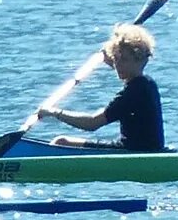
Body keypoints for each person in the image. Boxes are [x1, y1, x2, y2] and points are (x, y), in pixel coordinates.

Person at [38, 22, 166, 152]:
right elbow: (127, 69)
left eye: (124, 59)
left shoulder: (134, 91)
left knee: (60, 142)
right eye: (116, 59)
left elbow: (92, 123)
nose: (118, 65)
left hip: (134, 152)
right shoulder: (147, 83)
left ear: (141, 61)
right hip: (142, 149)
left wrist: (53, 112)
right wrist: (109, 56)